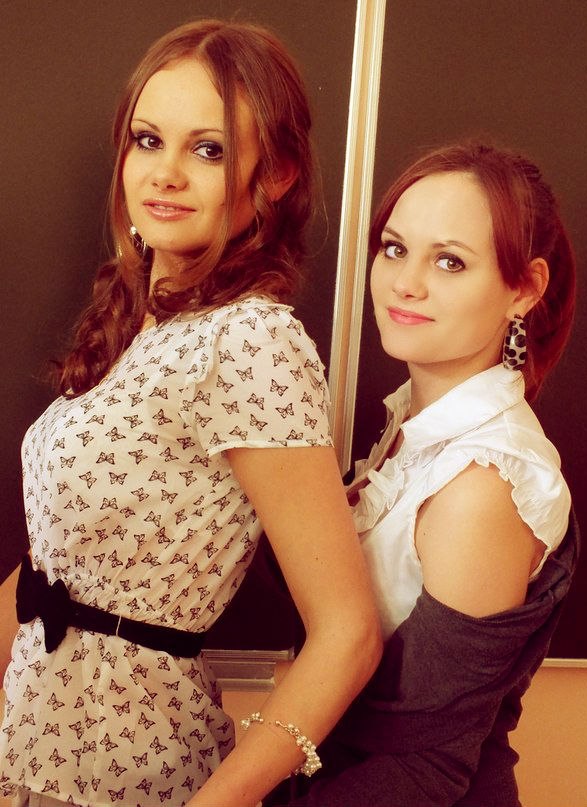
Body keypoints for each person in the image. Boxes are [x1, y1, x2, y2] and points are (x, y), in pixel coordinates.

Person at [0, 19, 382, 807]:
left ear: (275, 175)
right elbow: (52, 571)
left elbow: (347, 633)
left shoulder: (248, 340)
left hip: (134, 778)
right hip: (33, 757)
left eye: (208, 150)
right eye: (148, 140)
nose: (165, 173)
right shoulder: (137, 322)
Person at [266, 141, 578, 807]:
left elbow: (428, 768)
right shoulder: (414, 427)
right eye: (394, 248)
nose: (405, 283)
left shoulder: (482, 482)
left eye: (449, 260)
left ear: (524, 289)